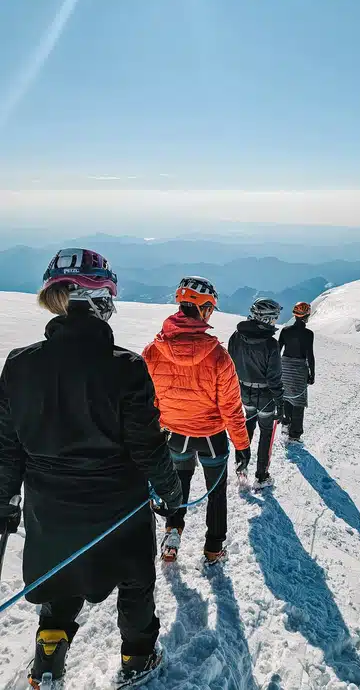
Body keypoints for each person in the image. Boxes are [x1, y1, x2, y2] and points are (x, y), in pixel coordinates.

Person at [0, 248, 182, 687]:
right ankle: (137, 657)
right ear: (102, 299)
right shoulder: (126, 367)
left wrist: (5, 500)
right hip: (119, 506)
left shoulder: (19, 365)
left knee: (59, 579)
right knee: (135, 583)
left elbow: (7, 447)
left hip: (50, 505)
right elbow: (147, 447)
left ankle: (48, 655)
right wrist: (171, 493)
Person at [143, 276, 250, 564]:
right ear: (203, 310)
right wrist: (242, 445)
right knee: (216, 492)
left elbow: (148, 401)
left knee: (178, 485)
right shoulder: (218, 356)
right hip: (211, 437)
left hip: (175, 435)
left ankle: (172, 537)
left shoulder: (154, 350)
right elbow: (231, 407)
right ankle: (214, 548)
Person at [228, 298, 284, 489]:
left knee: (246, 428)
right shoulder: (271, 344)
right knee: (266, 433)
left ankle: (241, 468)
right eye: (274, 317)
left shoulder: (236, 336)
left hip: (244, 391)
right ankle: (261, 476)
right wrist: (280, 401)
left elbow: (230, 365)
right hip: (266, 396)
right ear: (267, 319)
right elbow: (274, 378)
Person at [279, 301, 315, 442]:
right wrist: (312, 373)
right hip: (299, 370)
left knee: (286, 397)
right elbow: (310, 355)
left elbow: (277, 349)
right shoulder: (308, 334)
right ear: (306, 316)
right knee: (299, 402)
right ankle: (295, 434)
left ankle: (285, 424)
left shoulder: (285, 330)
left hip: (285, 368)